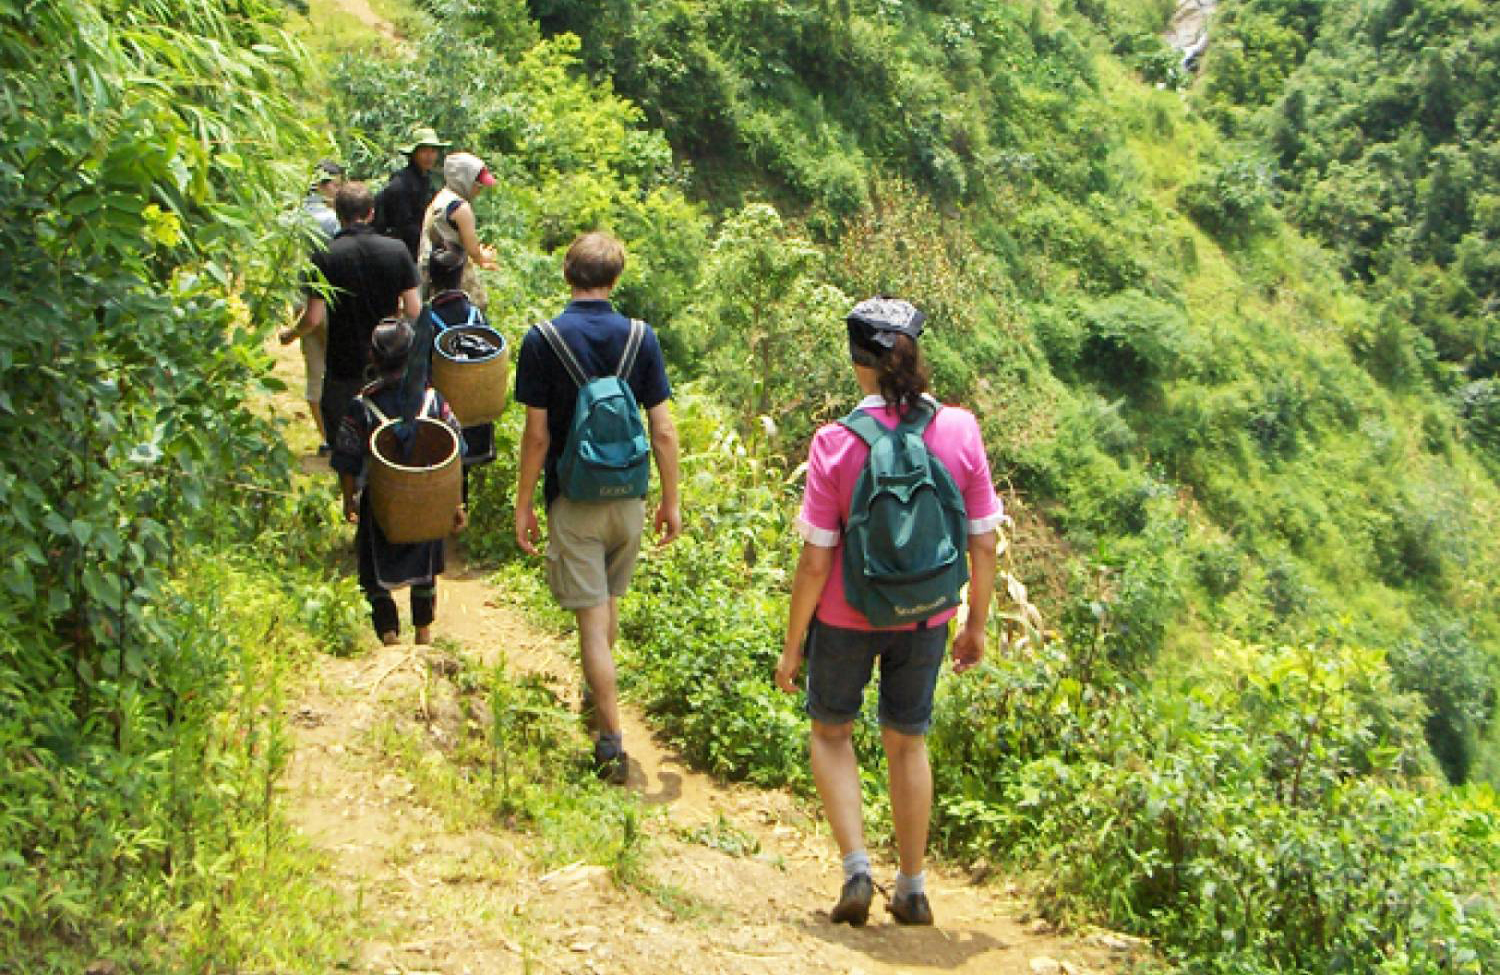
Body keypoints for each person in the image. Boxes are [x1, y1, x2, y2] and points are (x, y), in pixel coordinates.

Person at [774, 297, 1004, 928]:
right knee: (908, 742)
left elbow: (816, 562)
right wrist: (975, 623)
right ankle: (912, 885)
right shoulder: (960, 430)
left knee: (831, 732)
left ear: (858, 363)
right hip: (928, 615)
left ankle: (855, 868)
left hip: (849, 618)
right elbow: (983, 540)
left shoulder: (834, 443)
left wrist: (794, 646)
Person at [513, 231, 681, 784]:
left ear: (568, 273)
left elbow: (537, 437)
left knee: (591, 624)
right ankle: (597, 694)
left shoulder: (542, 339)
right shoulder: (641, 336)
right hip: (628, 499)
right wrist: (670, 502)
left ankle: (610, 743)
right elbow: (662, 430)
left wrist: (524, 505)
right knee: (607, 607)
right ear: (616, 278)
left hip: (574, 498)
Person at [331, 319, 467, 645]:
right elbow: (456, 452)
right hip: (428, 500)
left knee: (373, 574)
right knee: (426, 566)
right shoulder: (434, 402)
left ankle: (389, 634)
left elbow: (347, 459)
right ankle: (423, 633)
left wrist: (350, 499)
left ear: (373, 359)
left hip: (382, 504)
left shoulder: (361, 407)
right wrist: (456, 503)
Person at [281, 182, 422, 445]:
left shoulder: (325, 257)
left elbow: (313, 318)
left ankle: (350, 487)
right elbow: (414, 310)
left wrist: (290, 335)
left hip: (343, 364)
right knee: (387, 443)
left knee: (345, 450)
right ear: (371, 212)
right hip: (388, 361)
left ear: (337, 214)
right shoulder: (397, 250)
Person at [419, 244, 496, 492]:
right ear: (461, 275)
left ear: (430, 277)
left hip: (440, 412)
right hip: (472, 412)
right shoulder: (476, 316)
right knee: (462, 472)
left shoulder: (426, 319)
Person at [282, 159, 345, 452]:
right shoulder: (331, 221)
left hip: (300, 300)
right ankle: (342, 435)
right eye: (335, 183)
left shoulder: (291, 218)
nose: (339, 188)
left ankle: (327, 439)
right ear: (321, 185)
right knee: (337, 369)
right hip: (328, 302)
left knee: (314, 369)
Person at [417, 152, 498, 310]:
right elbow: (472, 249)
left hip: (432, 271)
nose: (479, 190)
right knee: (476, 308)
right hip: (453, 273)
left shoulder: (440, 199)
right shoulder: (460, 208)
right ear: (464, 180)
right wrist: (483, 256)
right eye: (477, 184)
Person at [374, 126, 448, 260]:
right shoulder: (400, 184)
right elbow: (404, 226)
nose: (429, 156)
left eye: (433, 151)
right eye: (424, 151)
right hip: (402, 252)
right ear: (414, 154)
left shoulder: (430, 180)